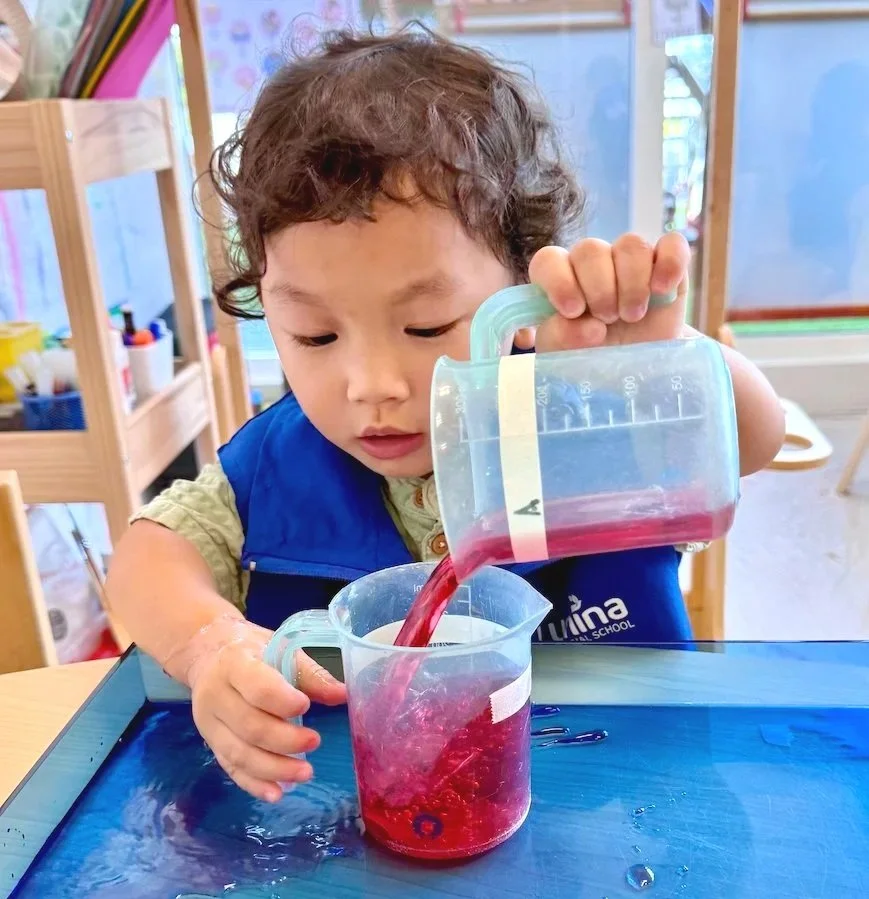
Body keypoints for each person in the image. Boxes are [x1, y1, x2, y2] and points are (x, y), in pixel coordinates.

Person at [105, 28, 785, 804]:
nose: (371, 384)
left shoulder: (583, 410)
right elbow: (145, 557)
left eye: (426, 326)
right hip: (361, 825)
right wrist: (208, 643)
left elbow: (755, 442)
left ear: (522, 291)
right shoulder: (271, 467)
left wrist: (652, 366)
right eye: (314, 334)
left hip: (622, 811)